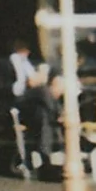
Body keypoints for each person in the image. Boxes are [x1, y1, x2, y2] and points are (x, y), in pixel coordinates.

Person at [7, 35, 59, 174]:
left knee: (43, 115)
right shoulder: (8, 61)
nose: (26, 51)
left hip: (31, 102)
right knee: (43, 90)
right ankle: (57, 114)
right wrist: (28, 83)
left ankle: (45, 158)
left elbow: (34, 79)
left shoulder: (27, 62)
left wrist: (40, 77)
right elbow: (4, 86)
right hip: (16, 99)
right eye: (22, 47)